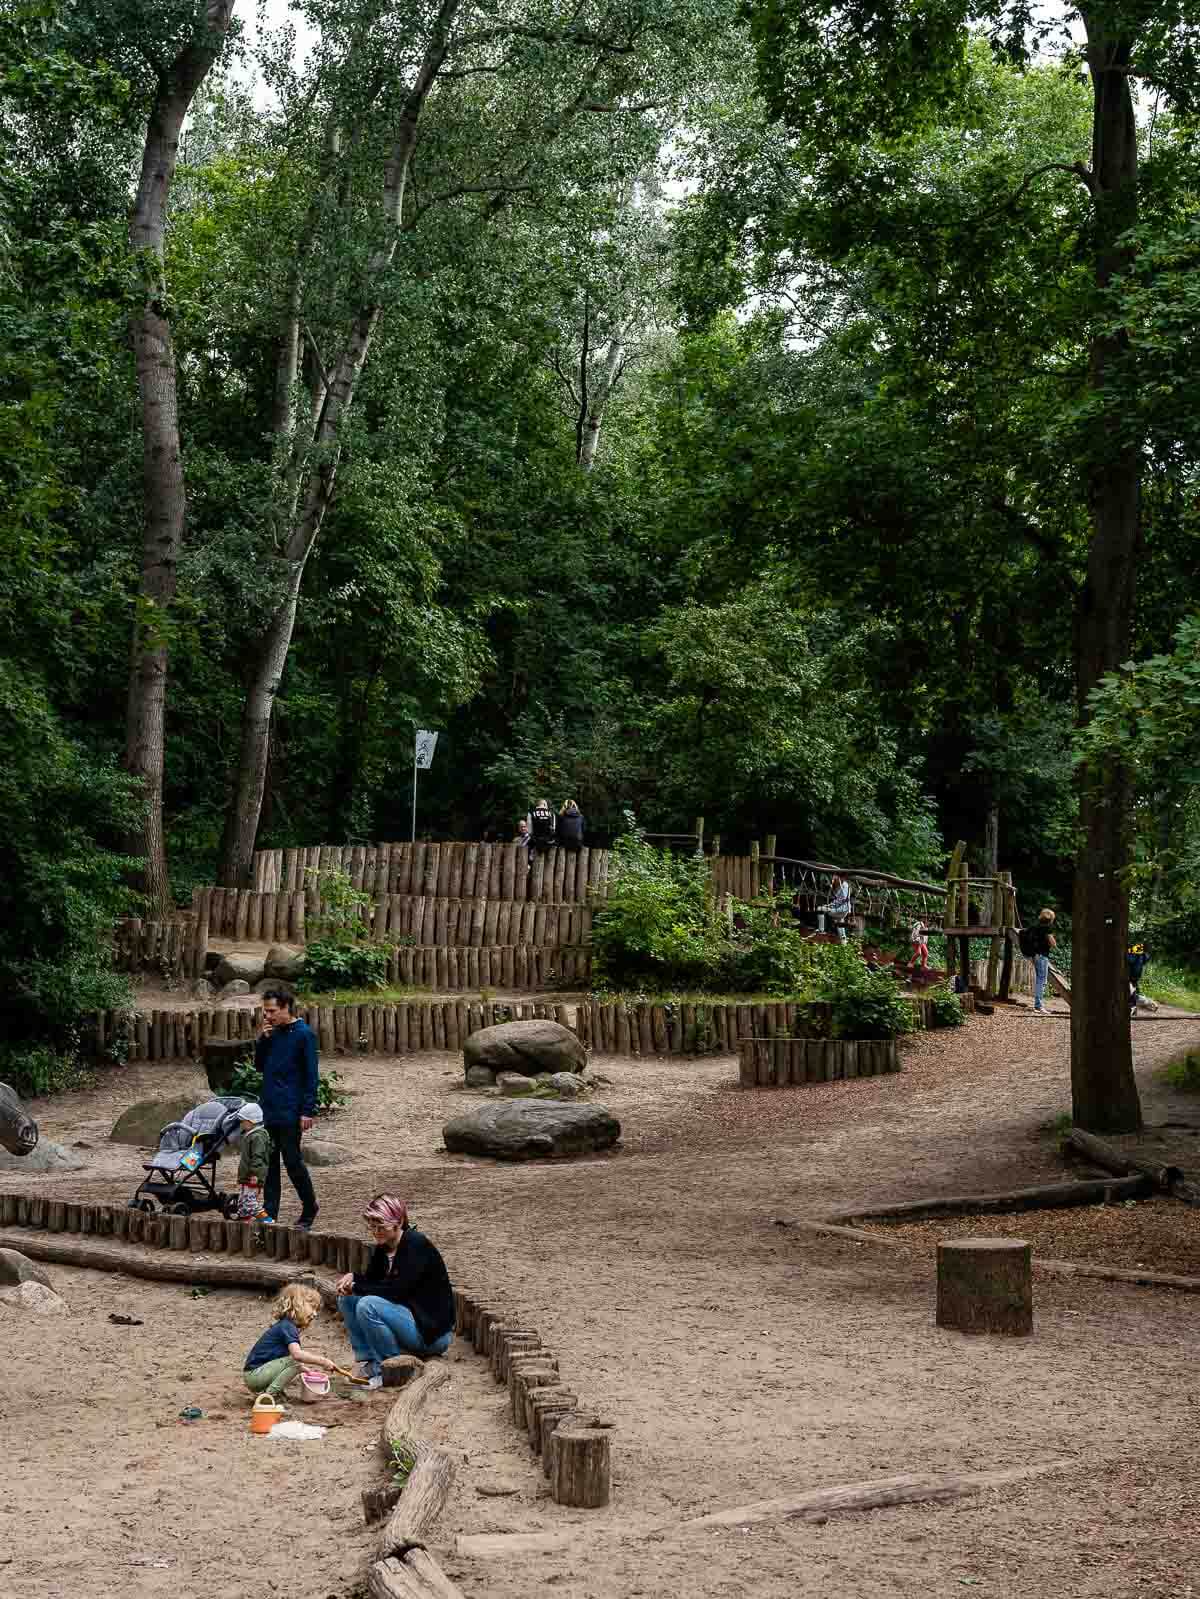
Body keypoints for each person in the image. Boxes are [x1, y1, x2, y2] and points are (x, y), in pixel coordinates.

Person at [336, 1194, 454, 1388]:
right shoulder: (384, 1249)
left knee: (367, 1305)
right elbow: (374, 1283)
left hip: (431, 1334)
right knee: (347, 1299)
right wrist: (354, 1278)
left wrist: (358, 1285)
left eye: (380, 1226)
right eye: (372, 1226)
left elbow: (396, 1292)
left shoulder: (415, 1245)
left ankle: (392, 1367)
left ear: (398, 1222)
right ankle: (369, 1361)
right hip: (406, 1319)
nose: (375, 1232)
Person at [256, 989, 319, 1230]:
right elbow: (259, 1066)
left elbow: (311, 1075)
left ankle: (310, 1207)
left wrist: (308, 1110)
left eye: (271, 1011)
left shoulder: (304, 1035)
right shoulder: (272, 1034)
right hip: (269, 1108)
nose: (267, 1015)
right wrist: (262, 1040)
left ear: (286, 1008)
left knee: (293, 1162)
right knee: (269, 1163)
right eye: (265, 1011)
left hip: (291, 1110)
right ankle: (270, 1213)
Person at [242, 1284, 336, 1399]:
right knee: (295, 1361)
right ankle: (269, 1395)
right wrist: (323, 1361)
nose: (315, 1314)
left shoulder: (287, 1325)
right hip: (255, 1376)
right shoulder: (288, 1326)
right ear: (297, 1304)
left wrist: (304, 1370)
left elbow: (281, 1360)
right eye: (312, 1307)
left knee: (296, 1364)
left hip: (255, 1375)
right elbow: (297, 1355)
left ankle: (275, 1393)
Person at [234, 1101, 272, 1222]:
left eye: (242, 1122)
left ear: (251, 1121)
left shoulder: (258, 1137)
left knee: (249, 1201)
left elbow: (257, 1156)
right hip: (247, 1174)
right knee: (242, 1200)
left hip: (253, 1175)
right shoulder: (251, 1134)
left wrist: (255, 1173)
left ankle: (267, 1220)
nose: (241, 1125)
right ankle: (243, 1219)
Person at [1031, 908, 1057, 1014]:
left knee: (1039, 979)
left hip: (1035, 955)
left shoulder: (1036, 927)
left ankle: (1038, 1005)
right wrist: (1054, 943)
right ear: (1051, 918)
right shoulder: (1047, 928)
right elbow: (1052, 943)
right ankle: (1039, 1006)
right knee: (1041, 981)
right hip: (1042, 956)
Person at [822, 875, 853, 942]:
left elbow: (842, 900)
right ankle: (843, 942)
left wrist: (829, 906)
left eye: (834, 878)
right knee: (839, 922)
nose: (833, 879)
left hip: (842, 909)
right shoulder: (844, 885)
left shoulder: (844, 886)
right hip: (844, 909)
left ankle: (821, 930)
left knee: (821, 909)